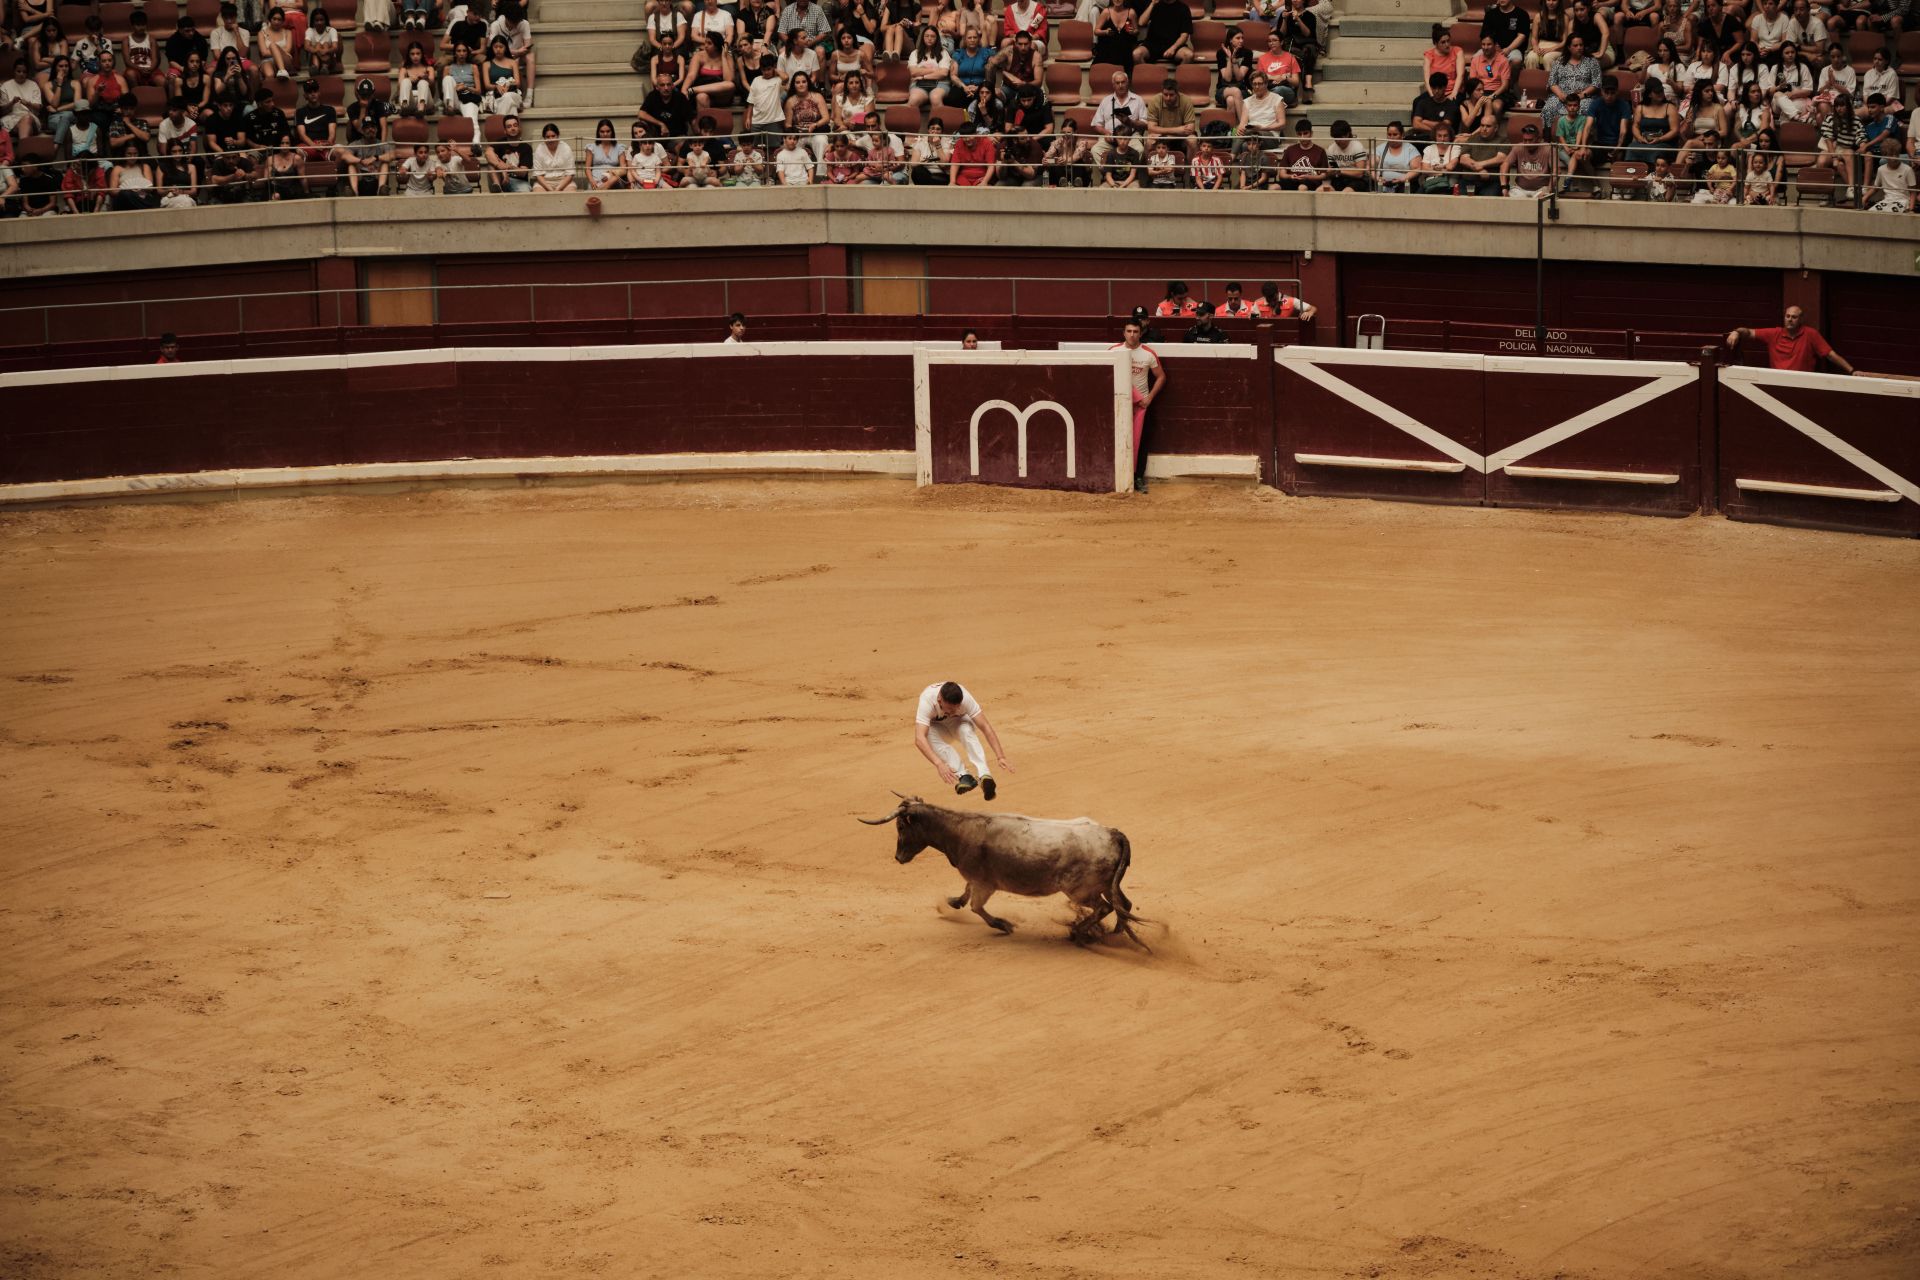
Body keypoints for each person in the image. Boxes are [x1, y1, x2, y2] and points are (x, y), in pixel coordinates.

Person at [913, 680, 1013, 798]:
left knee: (966, 731)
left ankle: (984, 774)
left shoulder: (966, 698)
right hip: (938, 728)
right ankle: (964, 776)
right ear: (939, 700)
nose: (954, 711)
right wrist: (939, 764)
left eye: (957, 707)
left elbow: (985, 727)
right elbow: (919, 738)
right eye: (950, 709)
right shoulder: (927, 700)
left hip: (958, 722)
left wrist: (1000, 756)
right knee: (927, 735)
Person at [1112, 317, 1166, 491]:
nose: (1132, 335)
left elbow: (1161, 377)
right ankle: (1116, 476)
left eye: (1135, 332)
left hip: (1141, 405)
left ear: (1141, 333)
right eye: (1129, 331)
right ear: (1123, 333)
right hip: (1119, 405)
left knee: (1140, 442)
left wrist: (1149, 398)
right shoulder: (1114, 351)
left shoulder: (1148, 353)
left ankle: (1138, 477)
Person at [1726, 306, 1857, 373]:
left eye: (1794, 317)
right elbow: (1748, 332)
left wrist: (1852, 371)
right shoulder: (1774, 333)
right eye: (1787, 316)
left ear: (1801, 319)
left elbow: (1830, 355)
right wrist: (1737, 332)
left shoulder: (1811, 334)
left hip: (1802, 384)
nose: (1790, 319)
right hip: (1776, 383)